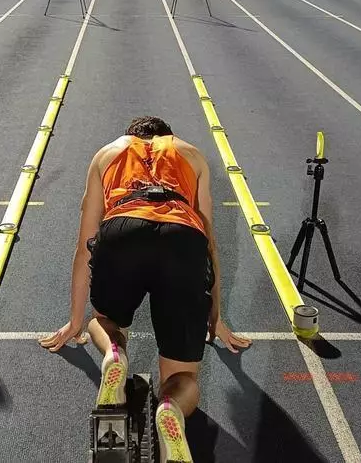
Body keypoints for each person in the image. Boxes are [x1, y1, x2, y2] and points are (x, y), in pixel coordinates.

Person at [40, 116, 251, 462]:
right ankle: (170, 409)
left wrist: (76, 321)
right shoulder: (192, 155)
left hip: (123, 230)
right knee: (182, 376)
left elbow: (84, 246)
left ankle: (114, 355)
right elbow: (210, 246)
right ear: (169, 136)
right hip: (183, 238)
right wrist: (216, 318)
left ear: (131, 136)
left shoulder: (107, 154)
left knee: (105, 321)